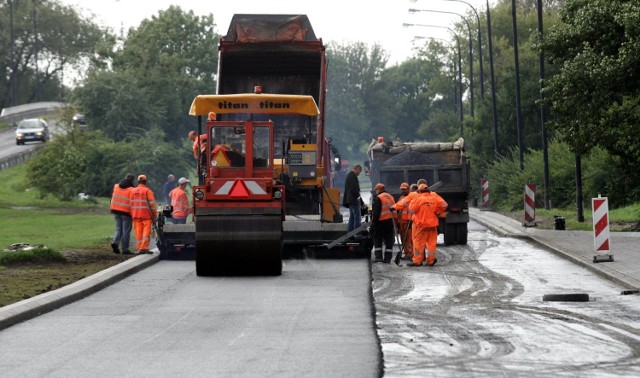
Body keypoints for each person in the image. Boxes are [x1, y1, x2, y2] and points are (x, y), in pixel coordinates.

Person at [408, 183, 448, 267]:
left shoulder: (418, 199)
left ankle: (417, 261)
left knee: (418, 243)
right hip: (432, 224)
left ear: (419, 191)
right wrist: (437, 211)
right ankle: (431, 260)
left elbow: (411, 210)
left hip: (421, 225)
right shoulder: (434, 198)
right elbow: (444, 204)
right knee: (431, 243)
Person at [130, 175, 157, 254]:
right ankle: (144, 248)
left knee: (138, 232)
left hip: (136, 215)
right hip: (146, 215)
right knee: (146, 232)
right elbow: (152, 205)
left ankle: (139, 247)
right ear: (145, 181)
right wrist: (154, 215)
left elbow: (130, 204)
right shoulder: (148, 191)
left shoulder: (133, 191)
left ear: (138, 181)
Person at [110, 173, 135, 255]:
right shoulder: (132, 189)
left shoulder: (116, 186)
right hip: (126, 212)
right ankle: (125, 249)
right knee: (126, 231)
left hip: (115, 210)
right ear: (132, 180)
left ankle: (115, 242)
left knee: (118, 229)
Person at [371, 183, 396, 263]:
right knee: (389, 241)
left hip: (381, 222)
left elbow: (376, 212)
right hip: (391, 222)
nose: (376, 192)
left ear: (379, 189)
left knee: (377, 239)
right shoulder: (391, 197)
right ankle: (387, 259)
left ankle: (379, 257)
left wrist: (373, 223)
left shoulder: (379, 198)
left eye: (376, 190)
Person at [394, 182, 414, 260]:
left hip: (408, 221)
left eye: (404, 189)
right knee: (404, 239)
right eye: (402, 189)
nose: (403, 191)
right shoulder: (401, 198)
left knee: (409, 239)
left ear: (408, 189)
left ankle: (410, 253)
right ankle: (407, 253)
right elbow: (399, 209)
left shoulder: (411, 198)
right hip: (402, 222)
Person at [342, 164, 363, 233]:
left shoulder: (349, 175)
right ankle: (357, 233)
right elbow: (354, 188)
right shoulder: (352, 176)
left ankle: (350, 233)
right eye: (359, 171)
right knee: (357, 217)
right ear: (356, 169)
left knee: (352, 217)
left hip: (350, 200)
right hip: (353, 200)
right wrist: (358, 198)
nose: (359, 173)